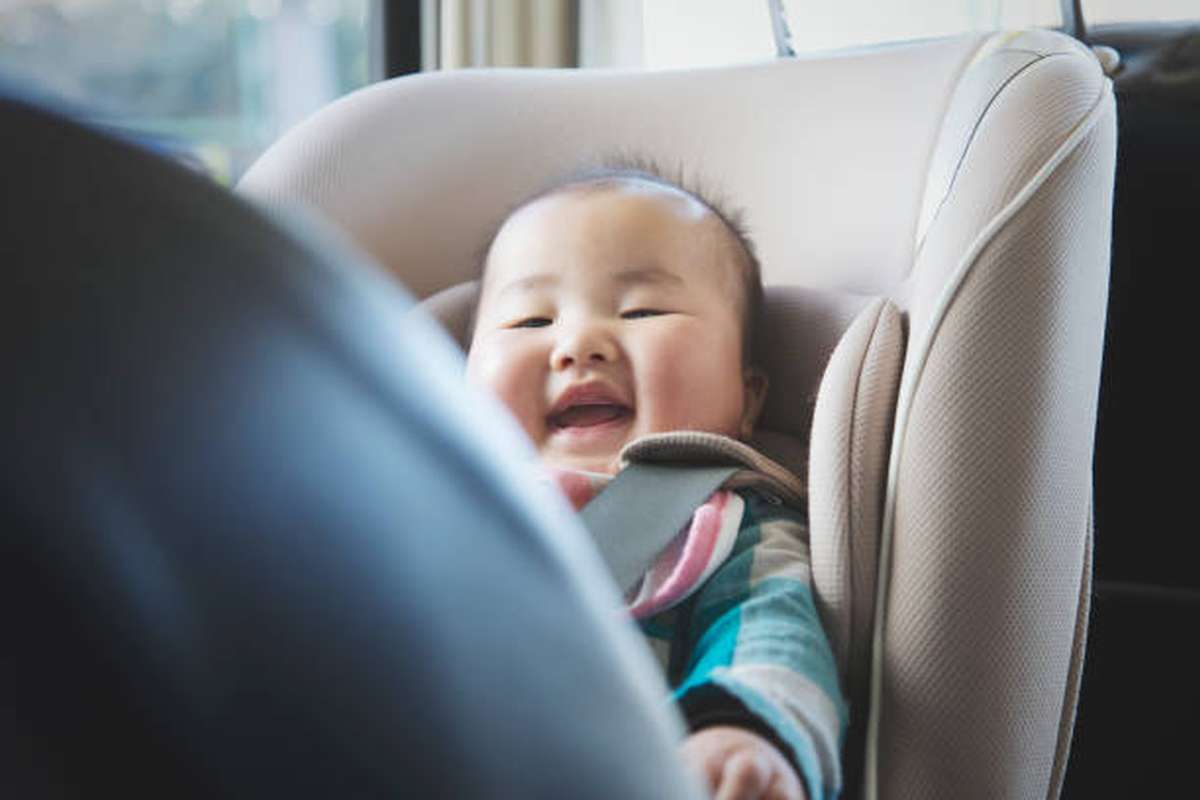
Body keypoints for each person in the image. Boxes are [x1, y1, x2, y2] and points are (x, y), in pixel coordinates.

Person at [465, 164, 846, 800]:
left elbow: (771, 634)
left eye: (642, 310)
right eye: (531, 322)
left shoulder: (724, 524)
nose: (578, 344)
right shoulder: (417, 505)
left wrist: (740, 736)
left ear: (745, 396)